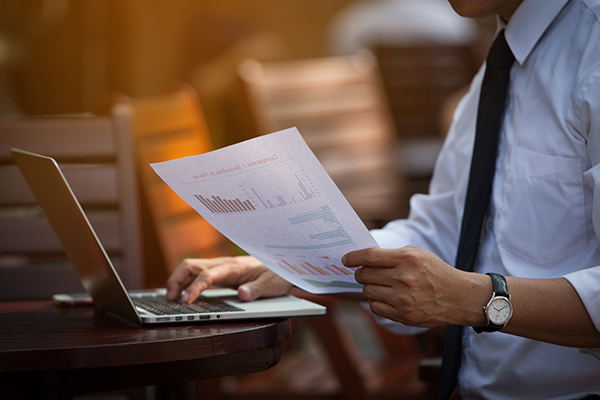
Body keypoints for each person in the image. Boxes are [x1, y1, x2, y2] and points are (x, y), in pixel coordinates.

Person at [167, 0, 600, 398]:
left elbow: (461, 279)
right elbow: (447, 229)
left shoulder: (590, 53)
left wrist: (475, 299)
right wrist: (294, 264)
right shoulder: (505, 59)